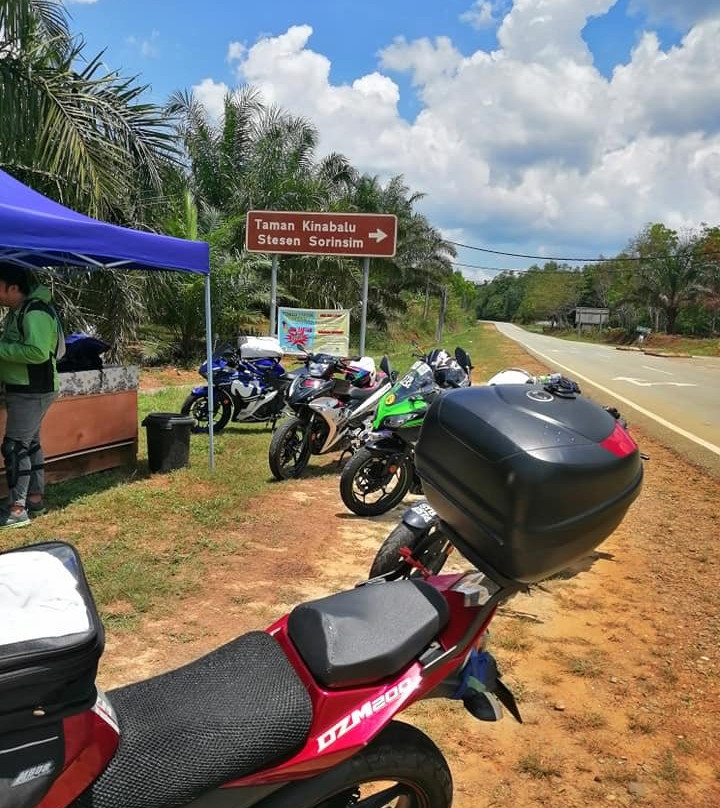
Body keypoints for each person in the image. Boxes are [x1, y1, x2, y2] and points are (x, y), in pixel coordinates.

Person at [0, 263, 64, 528]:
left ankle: (17, 509)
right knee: (30, 444)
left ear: (13, 288)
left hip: (32, 390)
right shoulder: (21, 310)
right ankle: (34, 499)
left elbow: (37, 352)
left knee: (15, 447)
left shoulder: (35, 311)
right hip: (25, 389)